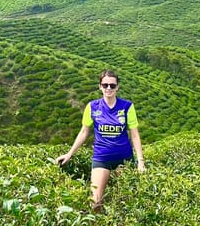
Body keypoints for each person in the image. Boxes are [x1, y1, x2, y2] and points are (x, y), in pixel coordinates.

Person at [56, 70, 145, 211]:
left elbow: (134, 135)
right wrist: (69, 154)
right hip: (101, 158)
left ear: (117, 87)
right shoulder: (92, 107)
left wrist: (140, 161)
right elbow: (84, 132)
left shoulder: (127, 107)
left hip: (124, 159)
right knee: (95, 202)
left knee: (125, 201)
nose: (108, 88)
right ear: (100, 86)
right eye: (105, 85)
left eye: (112, 85)